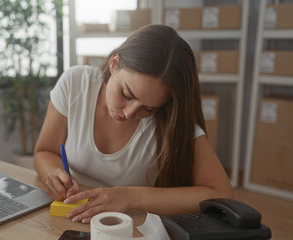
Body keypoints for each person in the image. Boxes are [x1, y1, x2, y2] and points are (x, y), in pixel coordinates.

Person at [34, 24, 234, 224]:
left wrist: (130, 197)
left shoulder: (172, 121)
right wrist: (53, 173)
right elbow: (44, 151)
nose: (129, 113)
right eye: (127, 94)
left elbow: (222, 195)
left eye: (148, 109)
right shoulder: (76, 83)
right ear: (114, 64)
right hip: (67, 217)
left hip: (127, 227)